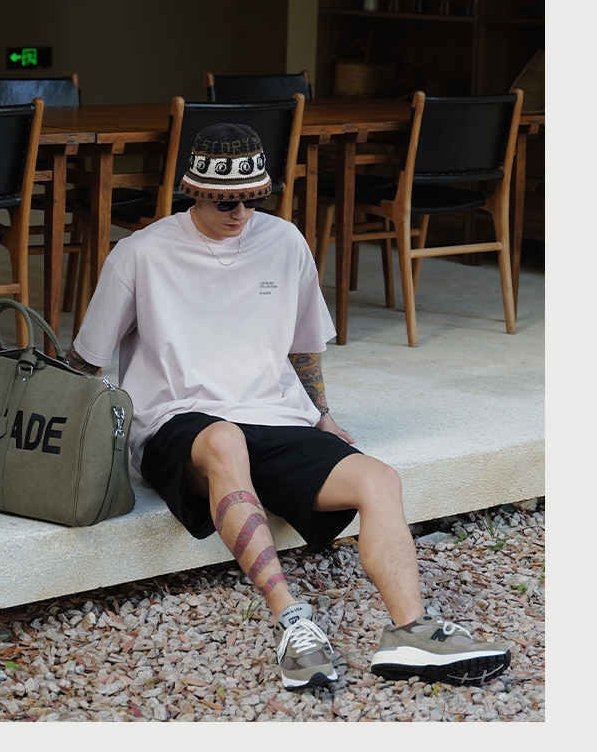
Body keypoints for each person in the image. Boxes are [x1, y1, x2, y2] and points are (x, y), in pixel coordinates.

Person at [65, 123, 511, 691]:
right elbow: (87, 359)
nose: (241, 213)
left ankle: (411, 631)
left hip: (272, 415)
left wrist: (321, 413)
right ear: (193, 192)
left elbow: (303, 346)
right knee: (224, 438)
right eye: (226, 202)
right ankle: (293, 621)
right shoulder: (140, 253)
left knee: (379, 478)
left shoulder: (285, 241)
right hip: (178, 422)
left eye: (253, 199)